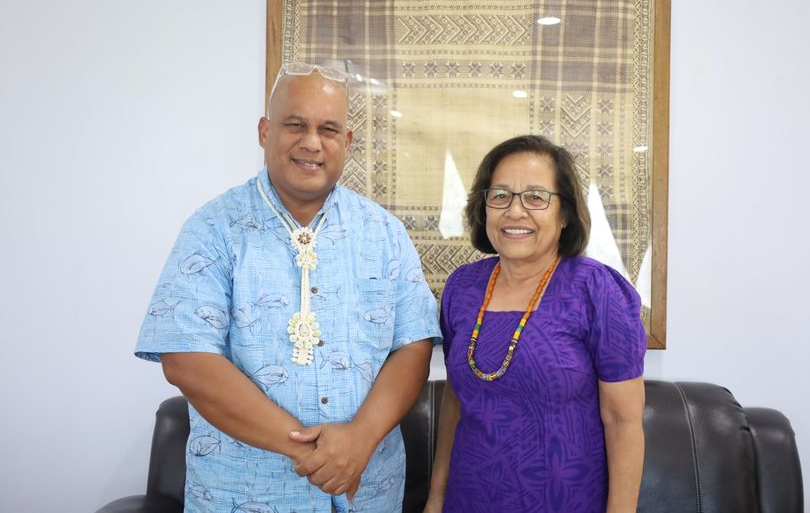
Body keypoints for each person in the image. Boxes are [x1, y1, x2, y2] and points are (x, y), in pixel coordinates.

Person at [136, 62, 441, 512]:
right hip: (242, 495)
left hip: (368, 493)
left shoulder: (384, 233)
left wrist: (358, 442)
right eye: (295, 124)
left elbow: (412, 347)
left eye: (329, 129)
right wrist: (312, 454)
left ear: (348, 142)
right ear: (264, 131)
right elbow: (187, 359)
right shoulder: (212, 229)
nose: (312, 142)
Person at [424, 135, 646, 512]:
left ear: (564, 215)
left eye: (535, 197)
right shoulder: (462, 288)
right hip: (469, 499)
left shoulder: (598, 291)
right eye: (500, 196)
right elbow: (456, 400)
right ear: (484, 207)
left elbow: (623, 422)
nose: (514, 211)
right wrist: (436, 498)